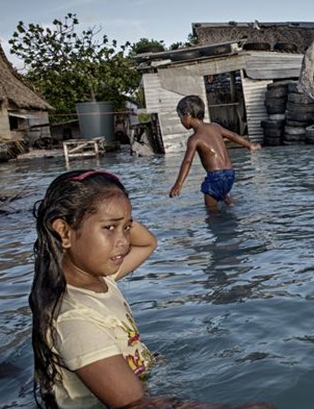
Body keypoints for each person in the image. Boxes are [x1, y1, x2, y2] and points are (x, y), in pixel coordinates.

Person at [29, 170, 275, 409]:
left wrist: (118, 213)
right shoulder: (76, 320)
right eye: (109, 228)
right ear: (64, 231)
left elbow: (147, 243)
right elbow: (134, 404)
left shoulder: (102, 278)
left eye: (127, 227)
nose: (124, 241)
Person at [169, 95, 261, 210]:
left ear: (187, 116)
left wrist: (178, 184)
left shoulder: (195, 139)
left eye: (180, 117)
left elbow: (187, 161)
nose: (181, 121)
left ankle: (218, 223)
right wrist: (250, 145)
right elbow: (233, 135)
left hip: (215, 177)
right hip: (230, 173)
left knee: (211, 211)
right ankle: (230, 203)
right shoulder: (215, 126)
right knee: (224, 195)